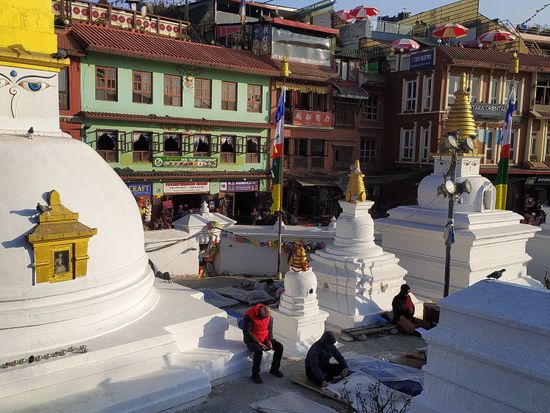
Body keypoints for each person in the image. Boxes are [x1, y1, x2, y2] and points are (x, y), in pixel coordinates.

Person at [242, 304, 284, 384]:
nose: (266, 319)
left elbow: (269, 329)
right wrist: (258, 342)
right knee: (259, 351)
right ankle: (255, 374)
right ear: (261, 312)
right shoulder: (249, 315)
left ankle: (274, 369)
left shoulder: (269, 317)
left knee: (279, 347)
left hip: (264, 339)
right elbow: (247, 332)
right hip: (252, 340)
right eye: (264, 317)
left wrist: (269, 341)